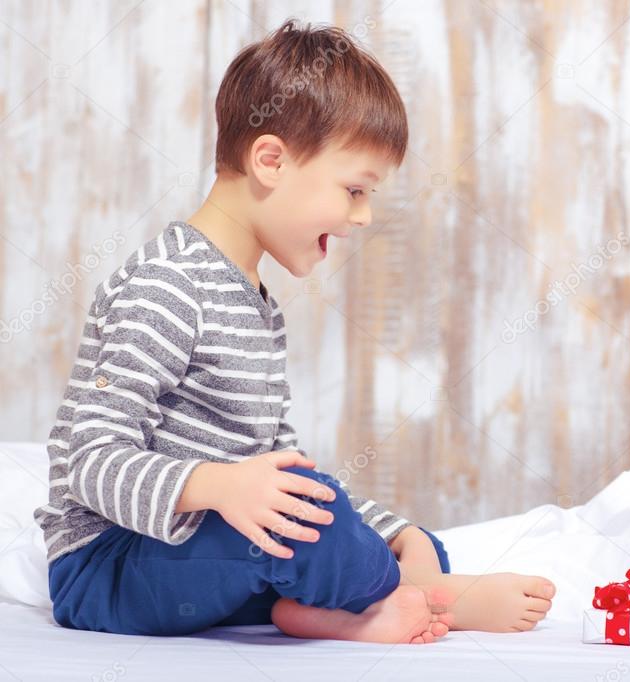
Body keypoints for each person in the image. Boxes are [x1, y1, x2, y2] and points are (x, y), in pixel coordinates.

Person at [34, 18, 555, 644]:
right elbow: (88, 460)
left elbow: (283, 476)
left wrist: (393, 533)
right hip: (113, 565)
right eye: (355, 189)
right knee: (307, 527)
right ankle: (418, 599)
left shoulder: (254, 304)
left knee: (401, 534)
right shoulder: (167, 283)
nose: (363, 216)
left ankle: (360, 595)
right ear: (272, 160)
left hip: (206, 558)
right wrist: (221, 486)